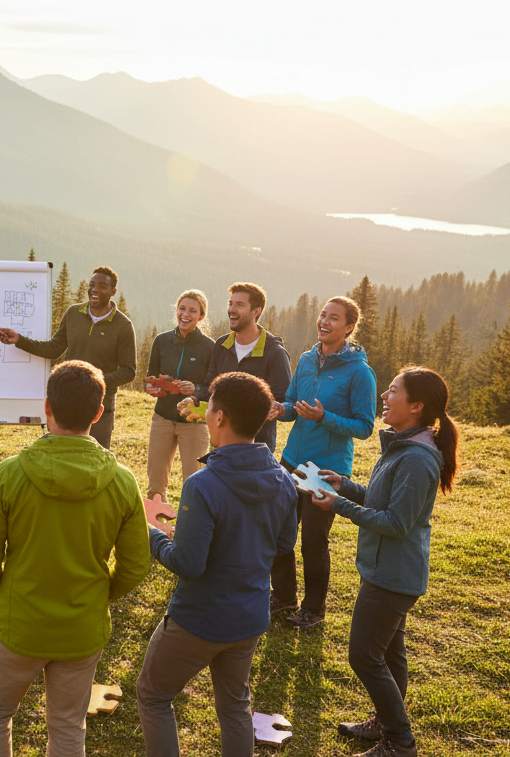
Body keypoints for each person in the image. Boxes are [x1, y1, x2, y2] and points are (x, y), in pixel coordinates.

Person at [0, 360, 151, 757]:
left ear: (46, 406)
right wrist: (102, 596)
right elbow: (137, 564)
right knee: (69, 725)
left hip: (18, 620)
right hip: (83, 627)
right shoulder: (122, 481)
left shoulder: (10, 474)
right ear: (98, 412)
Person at [136, 372, 298, 757]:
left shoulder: (202, 484)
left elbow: (189, 564)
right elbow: (283, 544)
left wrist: (152, 534)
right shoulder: (285, 481)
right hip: (251, 617)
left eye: (208, 406)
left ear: (220, 417)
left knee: (153, 694)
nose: (206, 413)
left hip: (199, 619)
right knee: (235, 704)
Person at [309, 367, 457, 757]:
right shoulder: (402, 448)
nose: (384, 397)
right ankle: (385, 724)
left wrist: (338, 505)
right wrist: (346, 485)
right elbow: (381, 501)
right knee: (390, 653)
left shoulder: (417, 459)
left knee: (363, 656)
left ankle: (400, 742)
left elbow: (396, 522)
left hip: (393, 576)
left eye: (392, 391)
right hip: (384, 570)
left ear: (417, 406)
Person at [268, 297, 376, 629]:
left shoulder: (360, 372)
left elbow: (364, 427)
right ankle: (283, 595)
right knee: (280, 532)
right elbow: (291, 403)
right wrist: (279, 410)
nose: (324, 322)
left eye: (334, 318)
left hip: (326, 469)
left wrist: (324, 417)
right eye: (322, 315)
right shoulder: (305, 359)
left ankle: (313, 609)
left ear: (348, 327)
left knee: (313, 540)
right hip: (291, 462)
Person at [0, 266, 136, 449]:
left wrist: (95, 382)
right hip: (67, 400)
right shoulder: (73, 313)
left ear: (113, 292)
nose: (94, 290)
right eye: (92, 285)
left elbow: (128, 371)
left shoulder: (123, 325)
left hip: (100, 405)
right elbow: (54, 349)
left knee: (95, 460)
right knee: (61, 454)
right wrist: (19, 340)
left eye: (102, 286)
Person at [177, 282, 291, 455]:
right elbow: (211, 386)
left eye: (240, 305)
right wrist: (195, 399)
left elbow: (283, 401)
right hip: (221, 445)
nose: (232, 309)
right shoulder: (222, 345)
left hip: (256, 448)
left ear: (256, 311)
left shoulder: (275, 353)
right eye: (230, 304)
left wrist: (277, 408)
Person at [144, 290, 215, 502]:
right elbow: (150, 376)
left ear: (201, 316)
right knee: (155, 486)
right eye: (182, 308)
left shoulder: (210, 347)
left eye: (192, 311)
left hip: (194, 421)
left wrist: (195, 390)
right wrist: (152, 387)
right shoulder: (161, 341)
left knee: (195, 485)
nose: (185, 314)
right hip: (162, 418)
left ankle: (189, 533)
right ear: (176, 310)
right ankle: (157, 532)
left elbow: (213, 386)